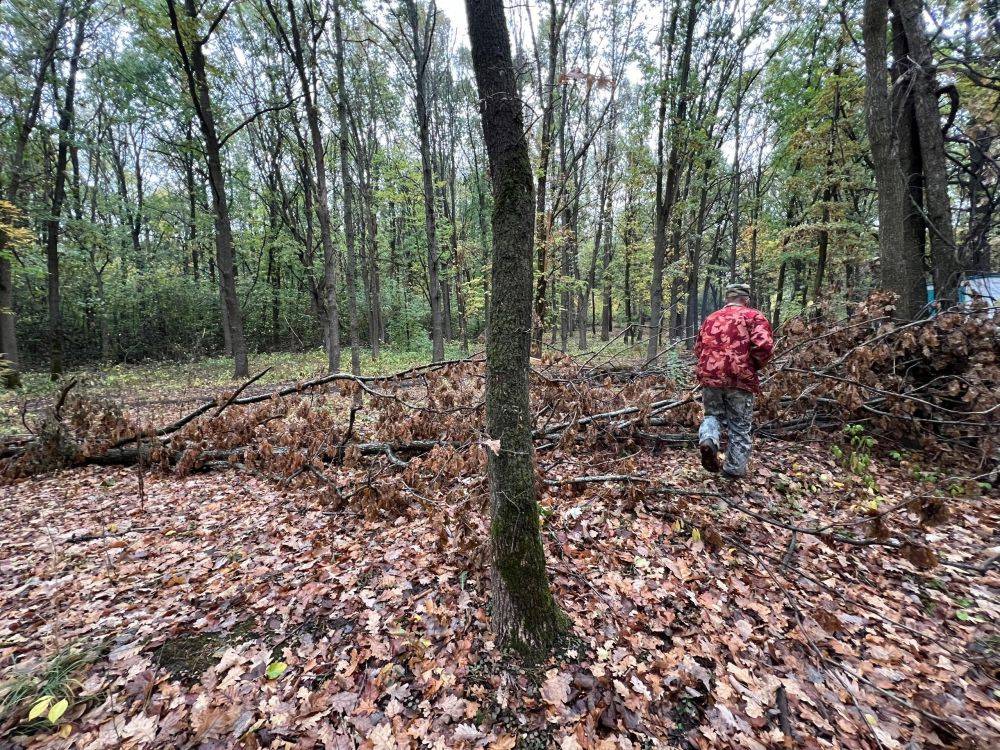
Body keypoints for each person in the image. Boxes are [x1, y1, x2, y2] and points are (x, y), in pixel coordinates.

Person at [694, 282, 774, 478]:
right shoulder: (754, 317)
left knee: (712, 416)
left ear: (726, 299)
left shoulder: (711, 318)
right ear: (746, 299)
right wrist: (752, 366)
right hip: (740, 378)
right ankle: (733, 471)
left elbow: (698, 348)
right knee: (739, 425)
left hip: (710, 376)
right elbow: (764, 346)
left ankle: (708, 439)